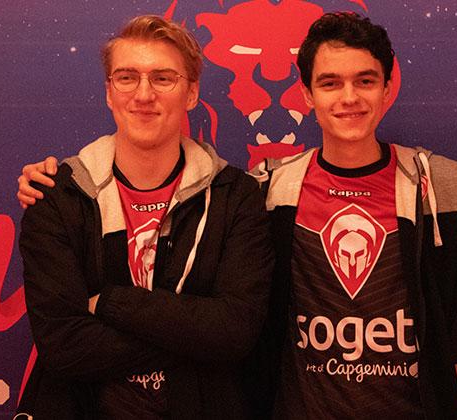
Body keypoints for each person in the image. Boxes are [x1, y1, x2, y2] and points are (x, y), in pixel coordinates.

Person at [18, 12, 457, 419]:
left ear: (389, 87)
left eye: (365, 81)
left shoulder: (445, 186)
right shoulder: (268, 188)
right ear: (307, 95)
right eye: (330, 83)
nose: (349, 98)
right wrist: (56, 177)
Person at [15, 15, 272, 419]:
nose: (143, 94)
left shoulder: (235, 196)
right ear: (108, 92)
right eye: (127, 78)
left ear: (191, 93)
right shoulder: (56, 195)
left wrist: (108, 302)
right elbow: (63, 346)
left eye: (163, 78)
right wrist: (195, 335)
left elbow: (234, 332)